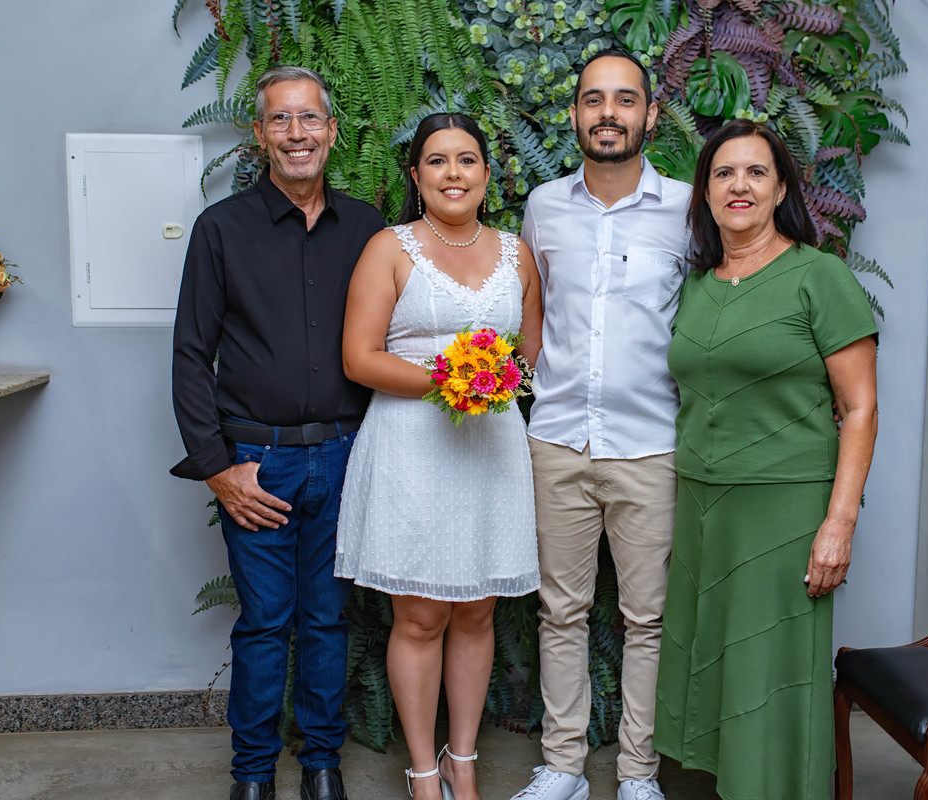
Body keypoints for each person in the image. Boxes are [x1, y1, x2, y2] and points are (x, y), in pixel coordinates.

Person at [171, 65, 384, 800]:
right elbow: (191, 355)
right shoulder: (221, 230)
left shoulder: (367, 229)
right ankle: (253, 775)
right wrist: (217, 467)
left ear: (332, 131)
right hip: (255, 463)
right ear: (259, 135)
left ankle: (322, 764)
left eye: (310, 118)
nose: (297, 133)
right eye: (281, 120)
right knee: (264, 624)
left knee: (328, 620)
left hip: (347, 455)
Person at [653, 119, 879, 799]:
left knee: (771, 669)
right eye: (724, 173)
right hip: (702, 505)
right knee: (714, 662)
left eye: (756, 172)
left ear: (781, 189)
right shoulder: (699, 284)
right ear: (704, 192)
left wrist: (839, 524)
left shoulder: (820, 276)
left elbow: (860, 408)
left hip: (784, 509)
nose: (739, 185)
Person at [335, 112, 543, 800]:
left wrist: (495, 381)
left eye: (466, 159)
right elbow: (359, 357)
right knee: (421, 617)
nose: (453, 173)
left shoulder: (517, 254)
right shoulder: (389, 248)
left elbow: (528, 356)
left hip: (491, 448)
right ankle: (424, 771)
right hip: (410, 448)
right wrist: (451, 379)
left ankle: (464, 760)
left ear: (487, 174)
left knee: (478, 612)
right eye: (437, 160)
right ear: (417, 176)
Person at [513, 50, 692, 800]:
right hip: (557, 439)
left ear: (650, 113)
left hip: (652, 445)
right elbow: (532, 310)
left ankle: (638, 775)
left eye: (625, 99)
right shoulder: (543, 206)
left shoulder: (690, 208)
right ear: (575, 113)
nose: (608, 113)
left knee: (647, 619)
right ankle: (563, 767)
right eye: (594, 99)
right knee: (560, 612)